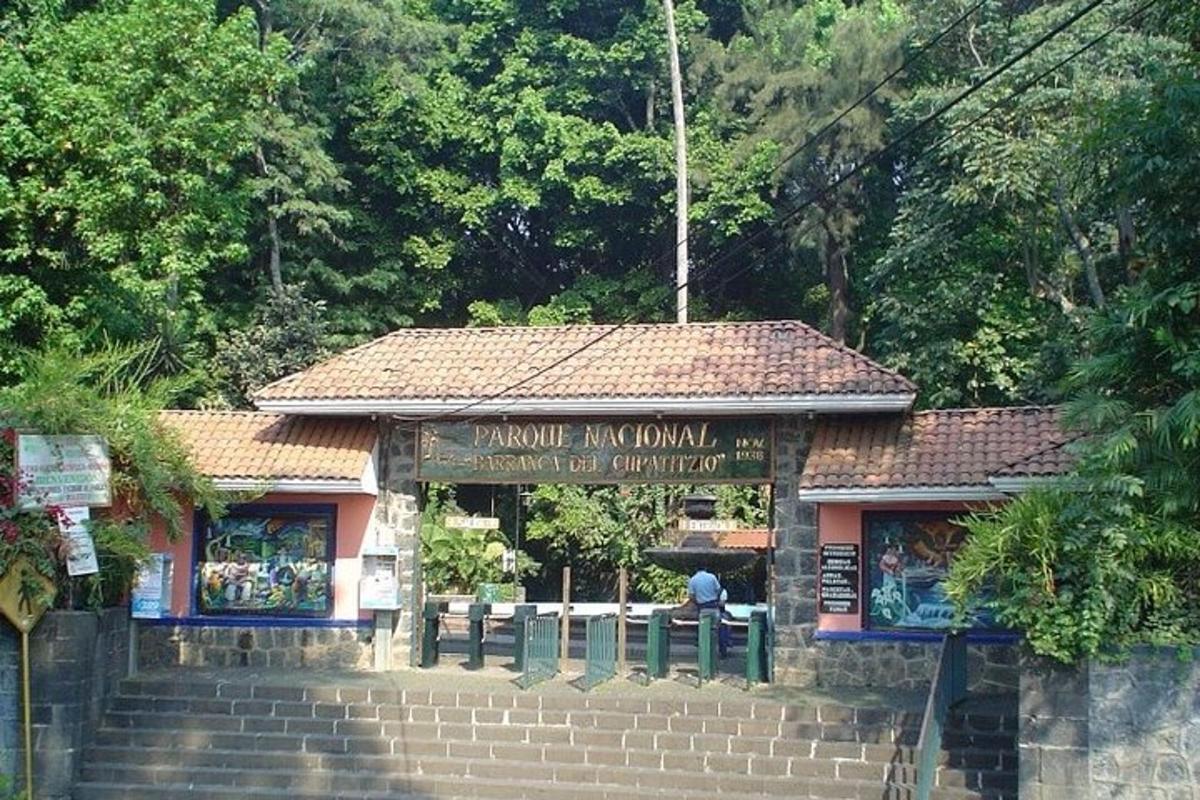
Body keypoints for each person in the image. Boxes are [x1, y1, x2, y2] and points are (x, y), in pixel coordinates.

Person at [687, 568, 732, 658]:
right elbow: (718, 590)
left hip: (702, 607)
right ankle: (723, 651)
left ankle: (704, 653)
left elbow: (691, 596)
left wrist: (698, 602)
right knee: (720, 629)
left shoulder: (693, 579)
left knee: (703, 629)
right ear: (705, 568)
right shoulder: (712, 577)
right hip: (714, 605)